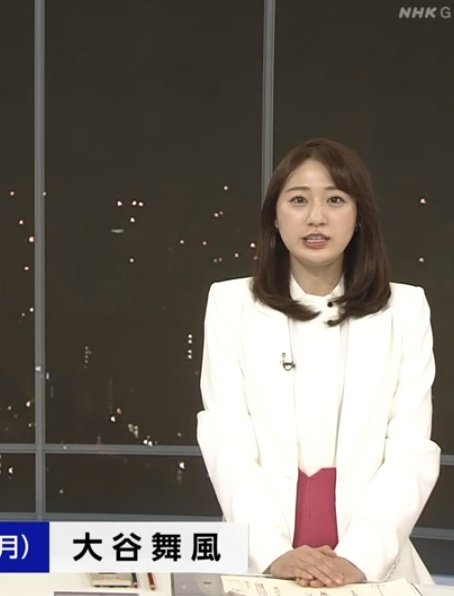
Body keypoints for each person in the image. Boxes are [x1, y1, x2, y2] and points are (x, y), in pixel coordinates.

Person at [197, 138, 439, 585]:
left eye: (335, 200)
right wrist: (273, 552)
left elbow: (410, 451)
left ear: (359, 215)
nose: (316, 217)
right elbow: (227, 441)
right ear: (275, 216)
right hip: (260, 561)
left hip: (374, 567)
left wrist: (359, 559)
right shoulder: (231, 304)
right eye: (298, 200)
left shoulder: (404, 309)